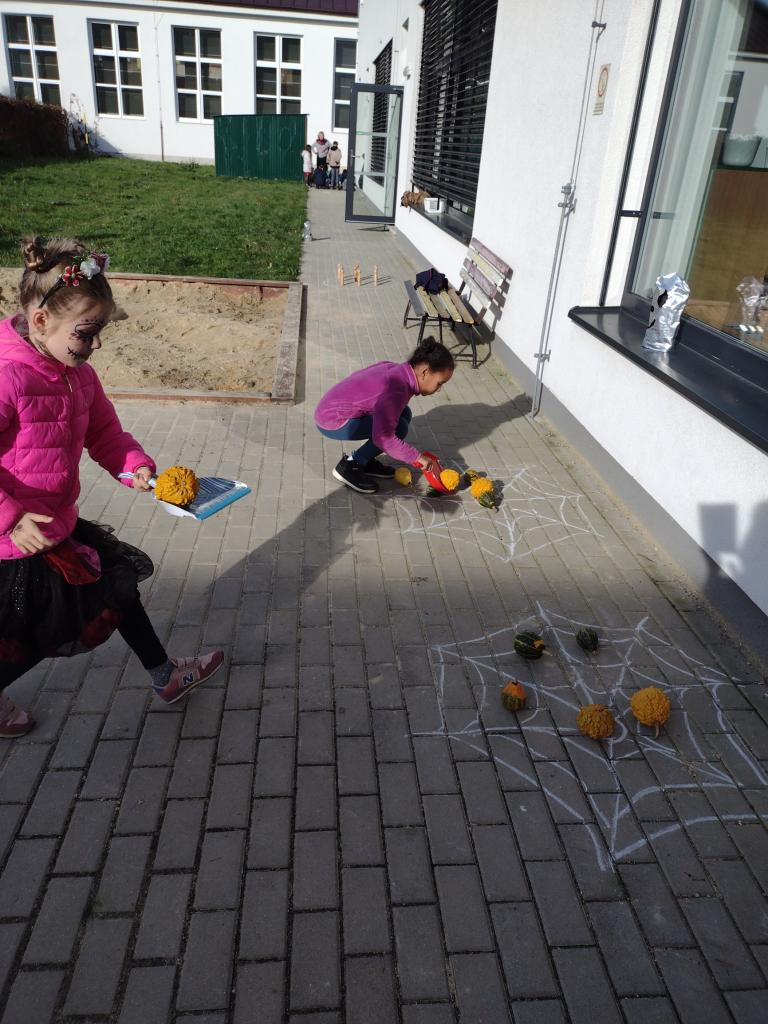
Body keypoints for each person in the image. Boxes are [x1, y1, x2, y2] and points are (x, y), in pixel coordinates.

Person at [0, 237, 224, 736]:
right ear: (41, 321)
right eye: (86, 333)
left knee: (118, 589)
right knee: (38, 636)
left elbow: (105, 435)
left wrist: (135, 468)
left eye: (100, 331)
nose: (96, 345)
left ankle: (165, 676)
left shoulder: (77, 375)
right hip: (16, 543)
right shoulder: (7, 377)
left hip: (55, 523)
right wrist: (10, 519)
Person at [314, 337, 455, 494]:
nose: (439, 389)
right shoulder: (396, 389)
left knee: (404, 412)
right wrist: (417, 458)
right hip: (333, 421)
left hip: (329, 410)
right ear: (425, 372)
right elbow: (385, 438)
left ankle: (365, 460)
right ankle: (350, 466)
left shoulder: (398, 370)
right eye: (440, 383)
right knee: (398, 429)